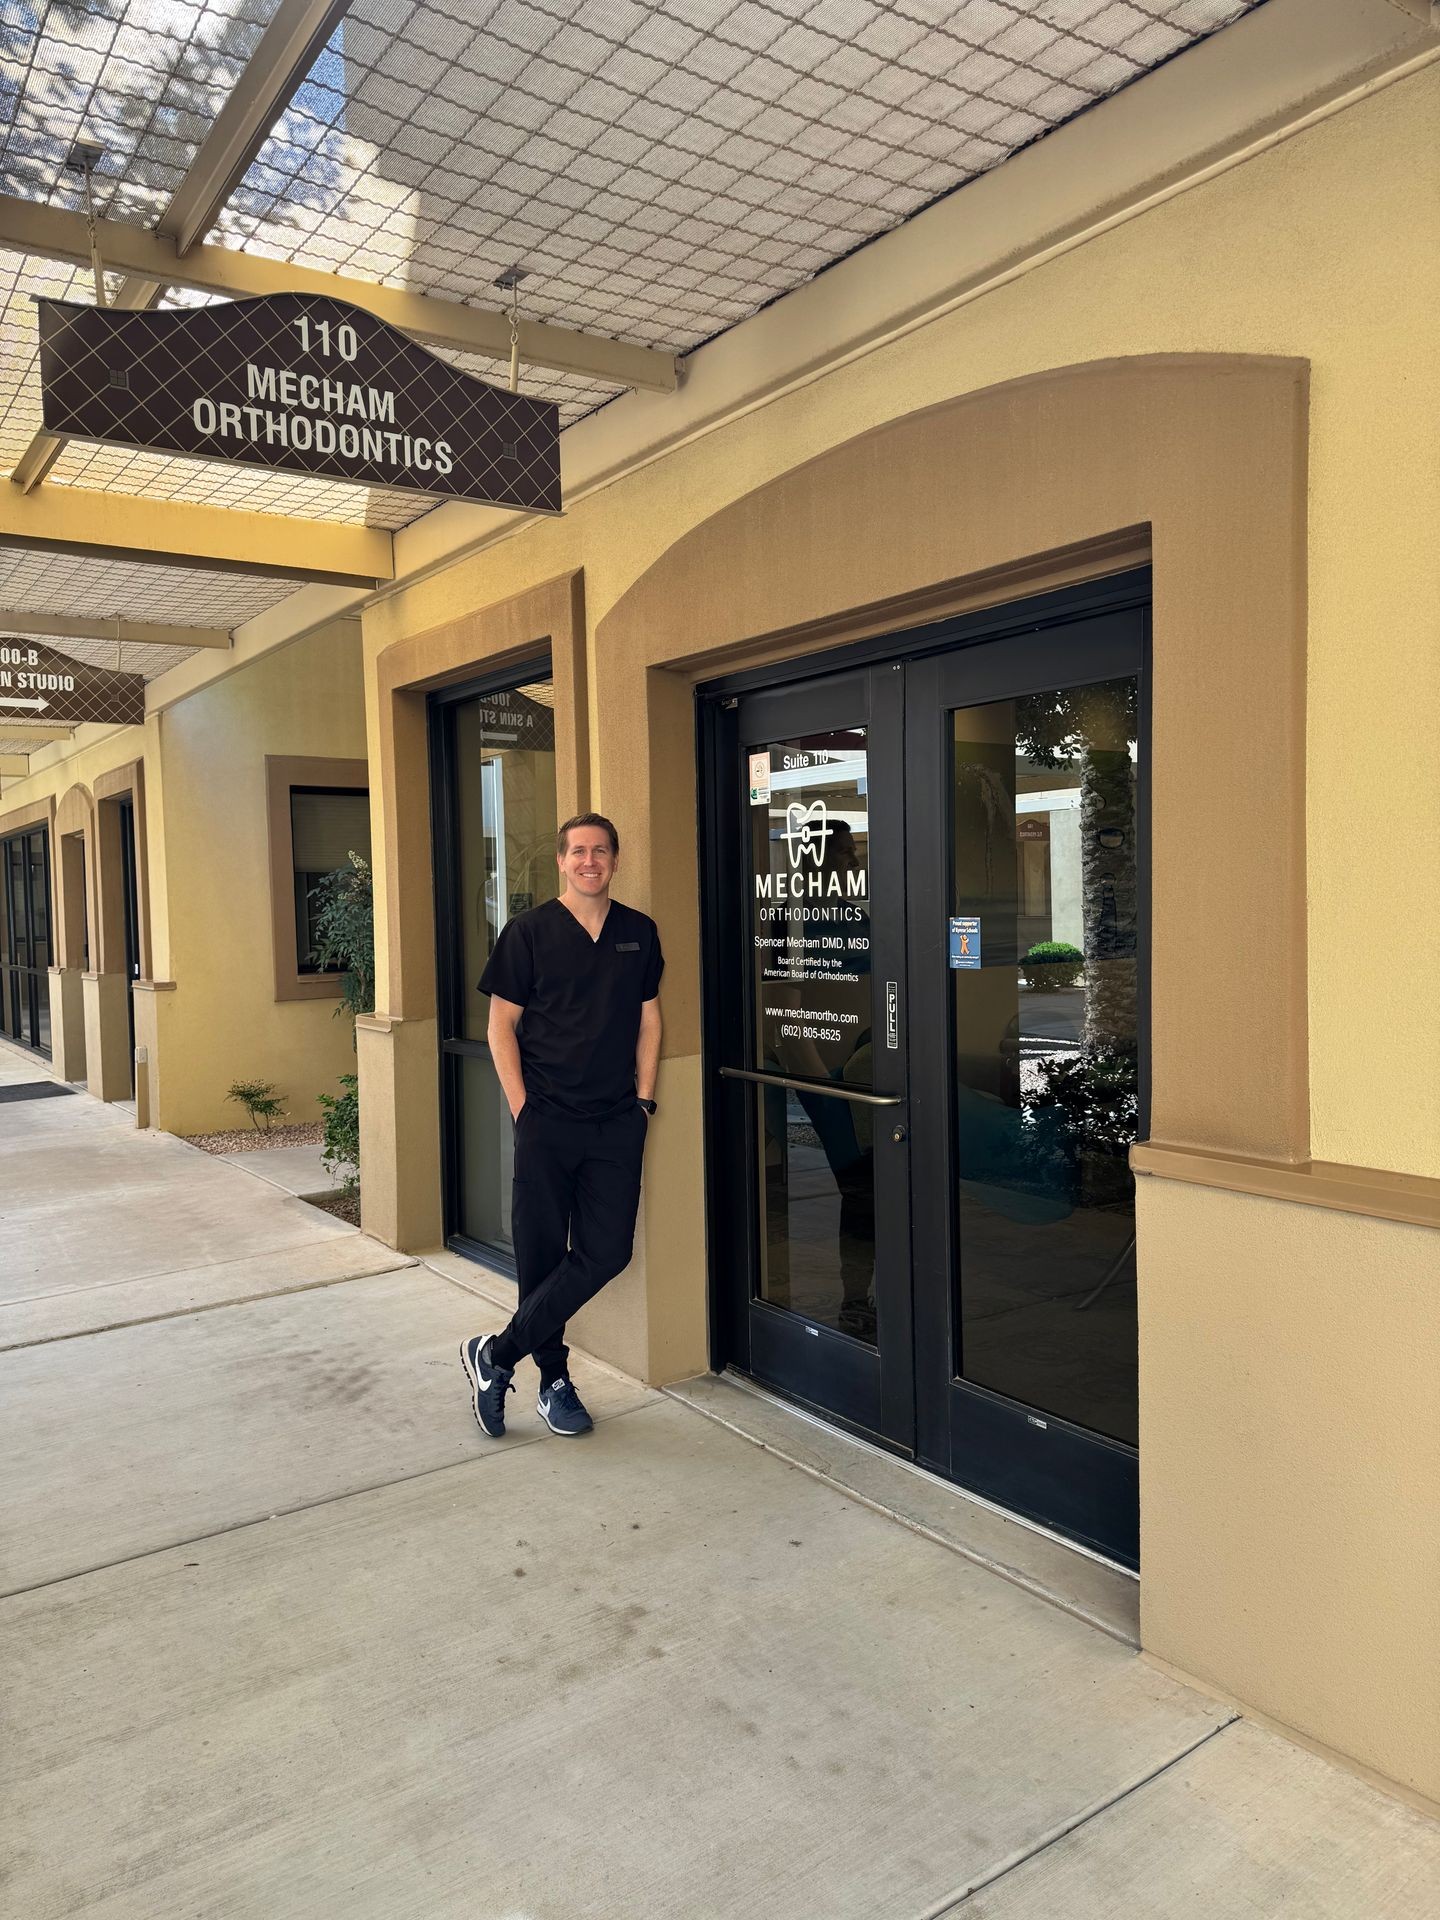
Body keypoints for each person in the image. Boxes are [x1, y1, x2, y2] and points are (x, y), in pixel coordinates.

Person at [460, 812, 663, 1439]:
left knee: (607, 1252)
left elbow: (649, 1020)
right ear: (561, 860)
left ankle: (493, 1355)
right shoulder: (528, 933)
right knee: (542, 1253)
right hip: (548, 1121)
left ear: (615, 859)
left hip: (615, 1123)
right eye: (578, 851)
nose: (590, 861)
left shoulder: (639, 932)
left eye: (600, 851)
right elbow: (501, 1027)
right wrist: (524, 1109)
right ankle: (554, 1380)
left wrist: (645, 1104)